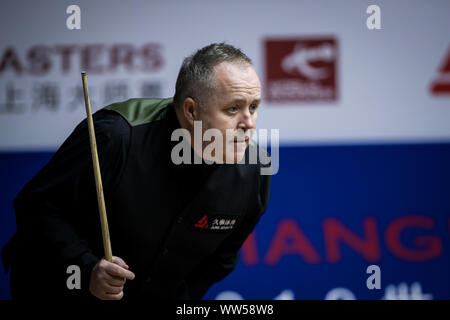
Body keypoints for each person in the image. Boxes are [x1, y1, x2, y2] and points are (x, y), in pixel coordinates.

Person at [2, 43, 272, 300]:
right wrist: (86, 269)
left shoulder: (256, 169)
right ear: (191, 110)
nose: (248, 123)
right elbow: (36, 206)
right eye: (233, 108)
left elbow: (221, 259)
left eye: (254, 107)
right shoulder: (116, 136)